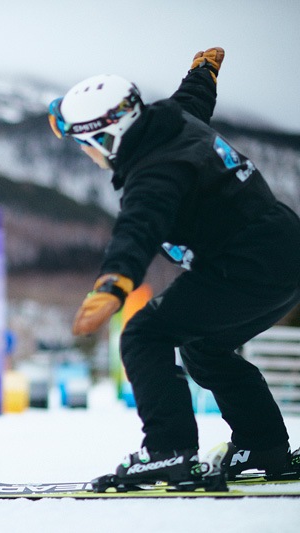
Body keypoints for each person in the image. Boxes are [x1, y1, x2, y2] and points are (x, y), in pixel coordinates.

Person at [48, 47, 300, 486]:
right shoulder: (171, 122)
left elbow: (138, 228)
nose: (87, 155)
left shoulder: (155, 172)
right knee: (204, 347)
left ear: (107, 137)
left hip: (246, 266)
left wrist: (113, 284)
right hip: (283, 254)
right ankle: (264, 445)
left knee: (145, 333)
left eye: (85, 145)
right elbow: (193, 100)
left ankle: (168, 452)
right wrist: (203, 73)